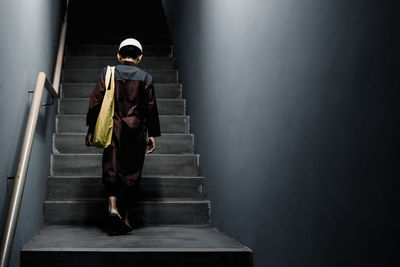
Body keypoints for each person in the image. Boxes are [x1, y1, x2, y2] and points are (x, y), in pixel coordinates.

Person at [85, 38, 161, 234]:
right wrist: (152, 133)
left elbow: (96, 101)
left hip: (113, 127)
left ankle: (112, 208)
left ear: (118, 56)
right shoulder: (146, 77)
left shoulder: (108, 73)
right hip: (137, 129)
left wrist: (92, 129)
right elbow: (150, 107)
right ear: (140, 57)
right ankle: (126, 217)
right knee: (132, 170)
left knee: (111, 165)